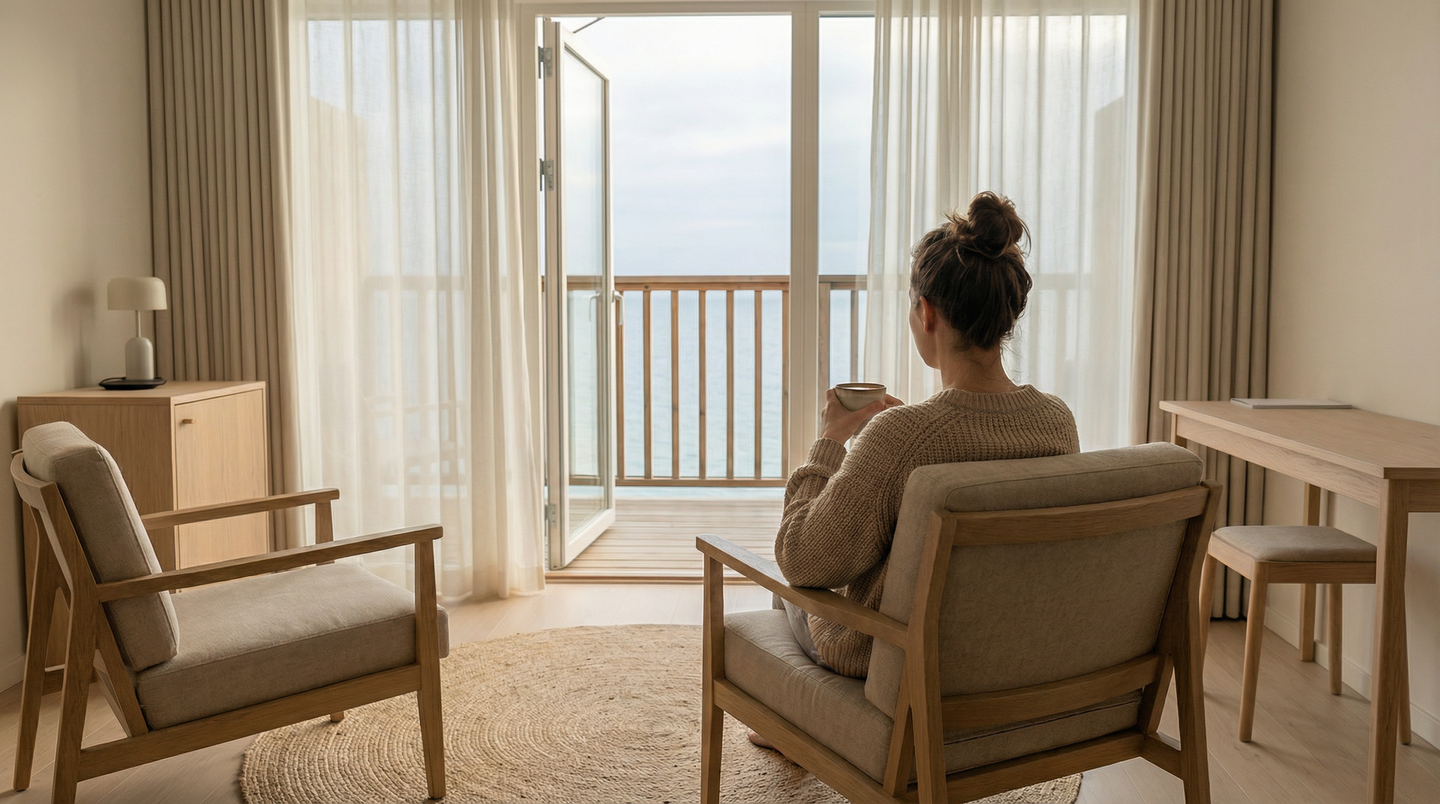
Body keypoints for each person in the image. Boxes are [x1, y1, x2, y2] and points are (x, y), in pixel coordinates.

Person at [774, 191, 1081, 681]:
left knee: (785, 563)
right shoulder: (1056, 421)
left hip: (896, 659)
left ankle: (794, 718)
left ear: (927, 312)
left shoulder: (901, 436)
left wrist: (831, 440)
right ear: (1008, 315)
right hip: (1006, 659)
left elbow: (803, 559)